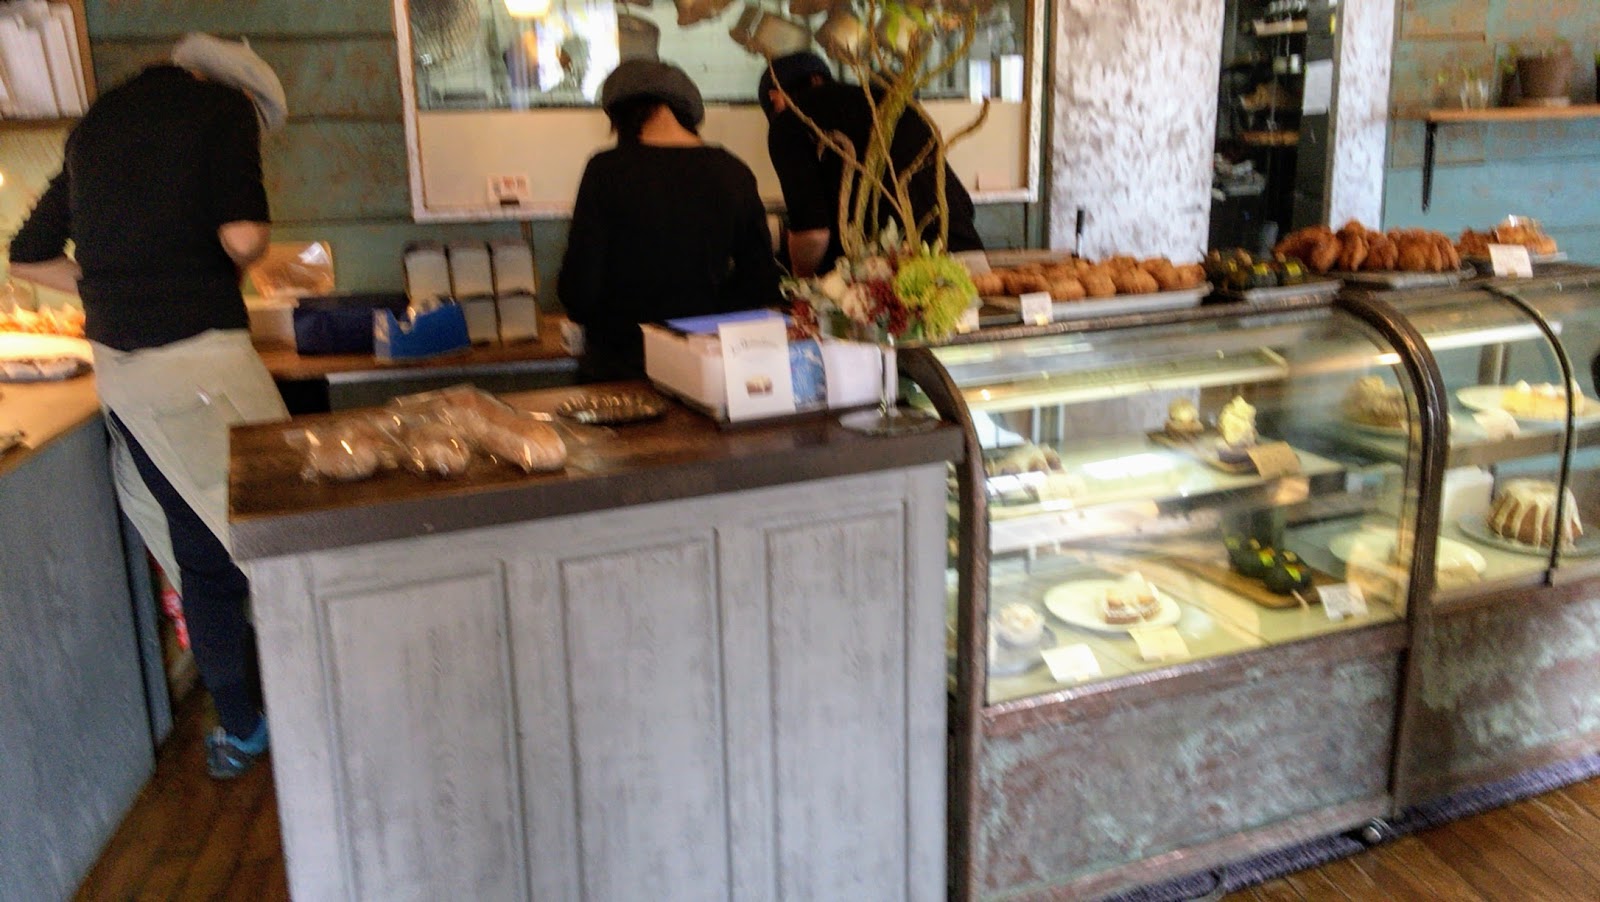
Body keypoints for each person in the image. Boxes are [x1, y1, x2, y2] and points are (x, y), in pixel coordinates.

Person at [8, 33, 291, 778]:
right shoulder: (223, 109)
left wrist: (116, 283)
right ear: (242, 88)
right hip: (198, 370)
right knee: (266, 539)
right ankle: (270, 716)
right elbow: (243, 235)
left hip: (124, 381)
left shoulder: (96, 124)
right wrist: (239, 255)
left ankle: (247, 718)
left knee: (197, 555)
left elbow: (28, 254)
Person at [559, 59, 781, 382]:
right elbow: (761, 283)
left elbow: (579, 290)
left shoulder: (605, 172)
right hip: (705, 369)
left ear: (622, 115)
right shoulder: (732, 171)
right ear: (685, 112)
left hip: (621, 367)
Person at [759, 51, 984, 278]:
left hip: (904, 272)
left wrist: (800, 277)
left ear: (774, 97)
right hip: (967, 256)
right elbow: (957, 199)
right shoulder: (892, 102)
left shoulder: (788, 121)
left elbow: (813, 233)